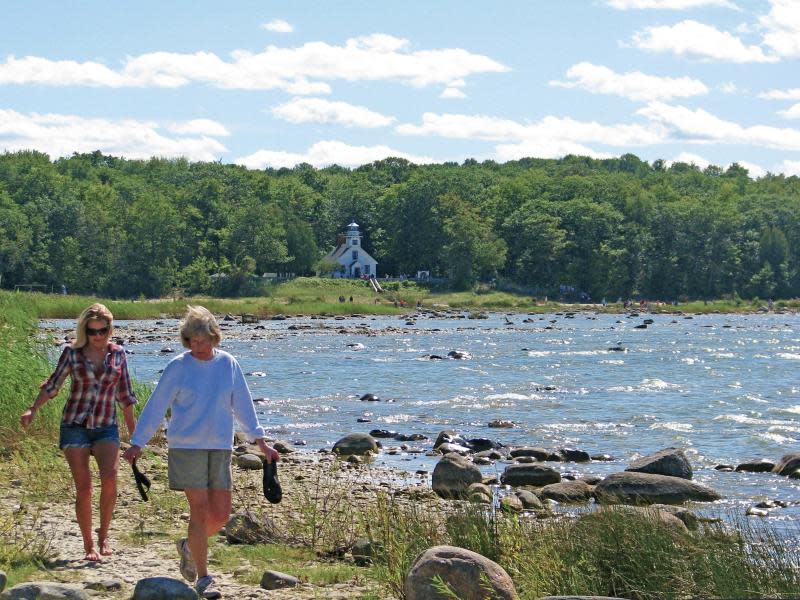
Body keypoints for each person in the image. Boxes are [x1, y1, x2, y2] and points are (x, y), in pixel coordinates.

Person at [122, 306, 278, 600]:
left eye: (203, 340)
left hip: (219, 446)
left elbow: (243, 405)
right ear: (186, 340)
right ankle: (205, 579)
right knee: (200, 509)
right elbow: (156, 406)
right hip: (186, 447)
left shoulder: (228, 364)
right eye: (192, 341)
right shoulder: (178, 367)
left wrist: (261, 441)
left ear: (214, 337)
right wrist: (137, 443)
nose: (198, 346)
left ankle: (189, 546)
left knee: (221, 515)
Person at [20, 303, 137, 562]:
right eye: (92, 331)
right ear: (85, 330)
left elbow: (126, 398)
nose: (97, 336)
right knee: (83, 487)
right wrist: (33, 409)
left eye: (102, 331)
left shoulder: (118, 354)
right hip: (75, 426)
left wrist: (135, 440)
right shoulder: (72, 354)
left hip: (106, 424)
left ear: (110, 329)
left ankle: (104, 535)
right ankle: (89, 545)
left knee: (110, 478)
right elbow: (53, 385)